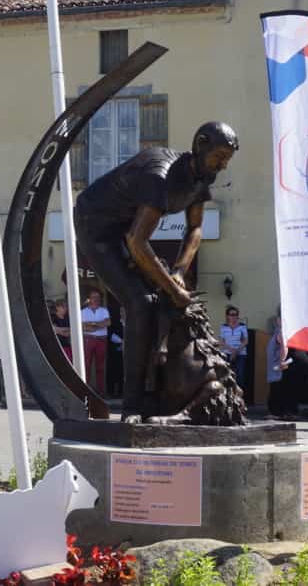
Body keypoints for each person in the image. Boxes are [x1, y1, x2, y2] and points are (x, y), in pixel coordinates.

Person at [74, 121, 238, 422]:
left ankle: (160, 399)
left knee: (162, 299)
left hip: (127, 231)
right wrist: (174, 289)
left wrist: (178, 272)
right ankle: (132, 406)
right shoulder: (160, 174)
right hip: (96, 228)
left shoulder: (201, 179)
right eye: (219, 158)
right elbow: (137, 241)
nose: (222, 166)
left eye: (226, 160)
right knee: (141, 302)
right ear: (200, 145)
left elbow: (196, 228)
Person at [80, 290, 110, 396]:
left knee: (100, 366)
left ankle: (101, 391)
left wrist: (92, 325)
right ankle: (86, 390)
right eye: (93, 297)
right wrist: (98, 324)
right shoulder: (83, 312)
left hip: (101, 340)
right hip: (88, 339)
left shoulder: (104, 310)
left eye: (97, 297)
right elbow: (83, 326)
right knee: (86, 365)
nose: (96, 299)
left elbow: (107, 323)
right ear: (89, 299)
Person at [220, 305, 248, 389]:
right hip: (227, 353)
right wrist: (231, 350)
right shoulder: (223, 327)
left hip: (240, 354)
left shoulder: (242, 327)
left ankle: (239, 397)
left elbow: (246, 341)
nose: (234, 317)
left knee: (240, 375)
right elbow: (221, 341)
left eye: (236, 314)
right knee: (227, 374)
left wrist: (236, 351)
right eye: (231, 314)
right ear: (227, 316)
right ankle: (228, 397)